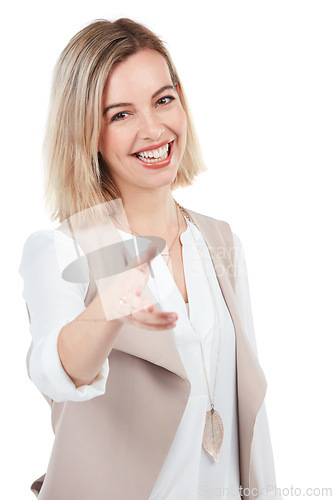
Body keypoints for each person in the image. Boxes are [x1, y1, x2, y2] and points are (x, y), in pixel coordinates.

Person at [18, 18, 282, 500]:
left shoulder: (221, 242)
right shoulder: (59, 250)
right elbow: (53, 372)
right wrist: (108, 308)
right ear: (86, 133)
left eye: (163, 100)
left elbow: (250, 408)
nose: (154, 129)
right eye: (121, 114)